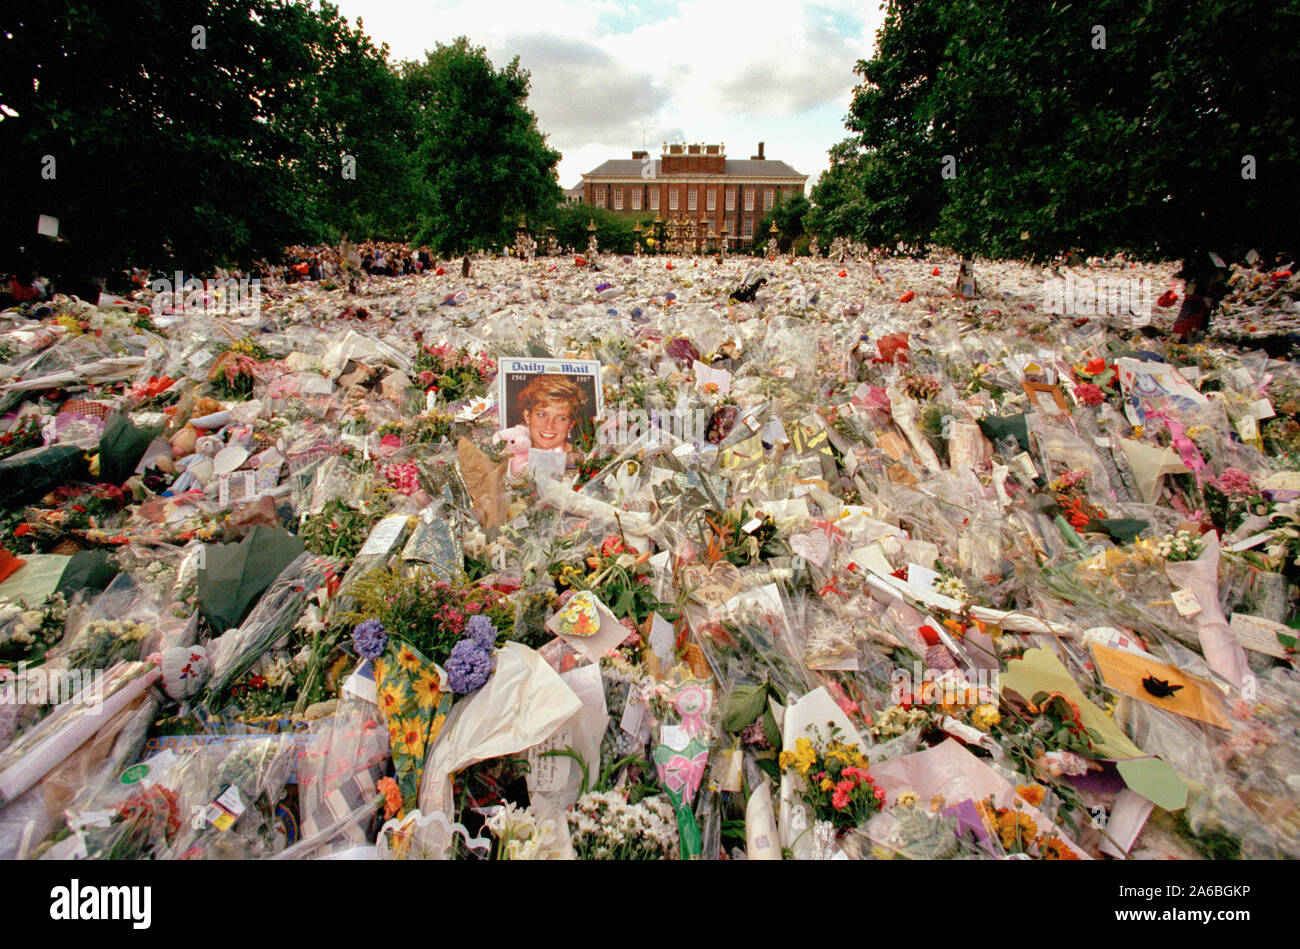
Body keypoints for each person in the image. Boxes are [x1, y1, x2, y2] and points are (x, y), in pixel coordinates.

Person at [516, 374, 589, 453]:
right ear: (527, 416)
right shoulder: (511, 454)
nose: (549, 426)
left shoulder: (583, 458)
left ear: (571, 424)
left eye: (560, 418)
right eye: (542, 415)